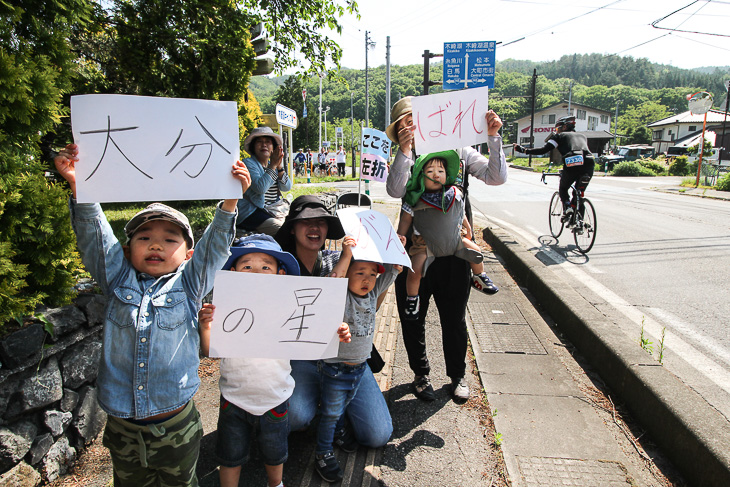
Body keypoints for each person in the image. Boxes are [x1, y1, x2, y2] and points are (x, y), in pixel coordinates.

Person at [53, 143, 251, 486]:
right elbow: (95, 238)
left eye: (169, 239)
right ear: (128, 250)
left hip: (177, 426)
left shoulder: (189, 284)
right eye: (144, 237)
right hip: (123, 429)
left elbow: (215, 245)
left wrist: (231, 200)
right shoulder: (117, 278)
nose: (156, 244)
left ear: (188, 253)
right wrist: (78, 184)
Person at [198, 234, 351, 487]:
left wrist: (339, 330)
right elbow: (210, 351)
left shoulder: (289, 307)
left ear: (280, 274)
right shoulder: (225, 308)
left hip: (276, 397)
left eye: (265, 266)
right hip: (233, 399)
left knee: (275, 452)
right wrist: (206, 326)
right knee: (229, 455)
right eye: (247, 266)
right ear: (233, 271)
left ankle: (276, 484)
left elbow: (319, 325)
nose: (256, 271)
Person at [385, 95, 507, 402]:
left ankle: (457, 375)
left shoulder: (460, 150)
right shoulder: (406, 154)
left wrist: (493, 137)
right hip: (417, 250)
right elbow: (395, 190)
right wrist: (404, 149)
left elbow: (495, 177)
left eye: (415, 119)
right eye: (404, 123)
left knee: (454, 318)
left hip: (453, 253)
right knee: (413, 316)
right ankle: (420, 373)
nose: (412, 126)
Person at [274, 195, 393, 451]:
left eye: (321, 222)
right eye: (306, 222)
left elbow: (369, 299)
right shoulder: (278, 266)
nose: (314, 228)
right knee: (295, 417)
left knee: (378, 434)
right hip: (302, 360)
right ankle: (329, 411)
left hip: (346, 359)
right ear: (292, 228)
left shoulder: (340, 261)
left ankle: (335, 407)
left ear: (329, 229)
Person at [311, 237, 402, 482]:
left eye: (371, 275)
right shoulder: (341, 295)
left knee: (341, 406)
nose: (367, 279)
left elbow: (391, 273)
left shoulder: (371, 295)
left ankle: (340, 428)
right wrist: (347, 253)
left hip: (359, 369)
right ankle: (323, 452)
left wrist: (396, 248)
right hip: (335, 368)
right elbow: (336, 278)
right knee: (329, 413)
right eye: (359, 272)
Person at [396, 150, 498, 319]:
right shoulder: (414, 198)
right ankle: (412, 298)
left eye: (440, 171)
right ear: (421, 175)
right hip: (424, 245)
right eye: (430, 171)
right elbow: (405, 220)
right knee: (414, 271)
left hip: (455, 240)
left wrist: (468, 228)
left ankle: (480, 276)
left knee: (476, 252)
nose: (436, 175)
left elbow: (460, 212)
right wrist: (400, 236)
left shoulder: (454, 193)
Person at [513, 115, 594, 222]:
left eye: (557, 128)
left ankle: (567, 206)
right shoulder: (582, 136)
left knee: (563, 189)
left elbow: (543, 150)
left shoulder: (558, 137)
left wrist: (524, 150)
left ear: (564, 127)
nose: (557, 131)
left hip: (573, 161)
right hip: (589, 162)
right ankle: (579, 222)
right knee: (579, 193)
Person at [237, 127, 292, 236]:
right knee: (283, 231)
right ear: (253, 146)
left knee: (297, 227)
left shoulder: (274, 166)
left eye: (268, 142)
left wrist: (279, 167)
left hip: (272, 211)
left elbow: (287, 187)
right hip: (253, 213)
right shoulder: (249, 163)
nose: (264, 145)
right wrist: (273, 166)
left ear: (274, 147)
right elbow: (260, 188)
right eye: (259, 142)